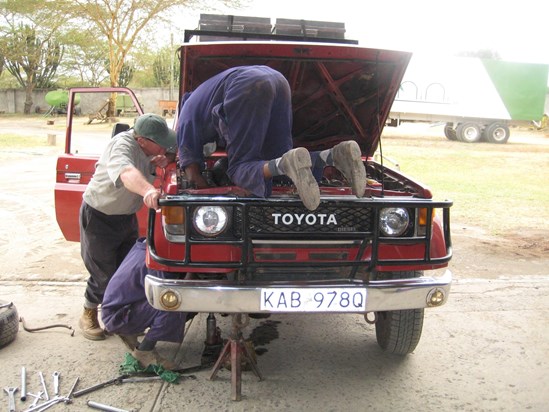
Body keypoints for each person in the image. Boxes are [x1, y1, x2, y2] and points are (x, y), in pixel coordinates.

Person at [176, 65, 366, 212]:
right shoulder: (202, 96)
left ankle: (285, 163)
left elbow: (193, 177)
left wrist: (222, 190)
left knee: (239, 166)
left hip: (246, 86)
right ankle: (335, 155)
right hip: (277, 79)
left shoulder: (185, 117)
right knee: (280, 161)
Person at [79, 113, 176, 341]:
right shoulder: (121, 145)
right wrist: (149, 191)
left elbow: (175, 148)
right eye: (159, 143)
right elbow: (127, 173)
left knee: (126, 272)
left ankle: (124, 317)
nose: (164, 146)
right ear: (141, 140)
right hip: (99, 216)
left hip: (125, 217)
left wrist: (167, 158)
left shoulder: (149, 148)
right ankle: (88, 312)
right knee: (103, 273)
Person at [102, 238, 188, 370]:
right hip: (119, 316)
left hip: (120, 309)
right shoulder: (158, 257)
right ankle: (144, 352)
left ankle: (130, 331)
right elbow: (167, 292)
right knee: (175, 299)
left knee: (176, 297)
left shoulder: (150, 244)